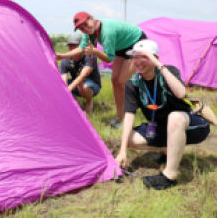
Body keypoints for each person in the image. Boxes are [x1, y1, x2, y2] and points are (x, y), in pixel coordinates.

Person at [115, 39, 210, 190]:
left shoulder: (168, 71)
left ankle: (170, 175)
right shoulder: (133, 84)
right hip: (161, 128)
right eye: (135, 56)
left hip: (191, 125)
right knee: (130, 139)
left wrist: (159, 65)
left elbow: (181, 93)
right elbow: (129, 116)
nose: (138, 61)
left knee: (175, 117)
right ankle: (167, 149)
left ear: (155, 58)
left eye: (144, 56)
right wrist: (122, 150)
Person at [56, 11, 147, 128]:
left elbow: (108, 58)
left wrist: (95, 51)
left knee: (121, 81)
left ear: (92, 18)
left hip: (136, 42)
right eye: (81, 28)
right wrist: (62, 56)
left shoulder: (107, 32)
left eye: (85, 24)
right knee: (114, 80)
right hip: (121, 47)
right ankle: (119, 117)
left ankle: (126, 117)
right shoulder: (89, 33)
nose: (84, 28)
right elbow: (81, 49)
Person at [60, 34, 101, 114]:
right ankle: (73, 106)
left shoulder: (89, 56)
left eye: (74, 46)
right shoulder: (66, 60)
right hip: (76, 84)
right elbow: (63, 80)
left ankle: (89, 104)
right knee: (59, 84)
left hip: (92, 84)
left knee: (82, 86)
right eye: (70, 46)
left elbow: (83, 76)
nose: (71, 48)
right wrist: (64, 90)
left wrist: (67, 90)